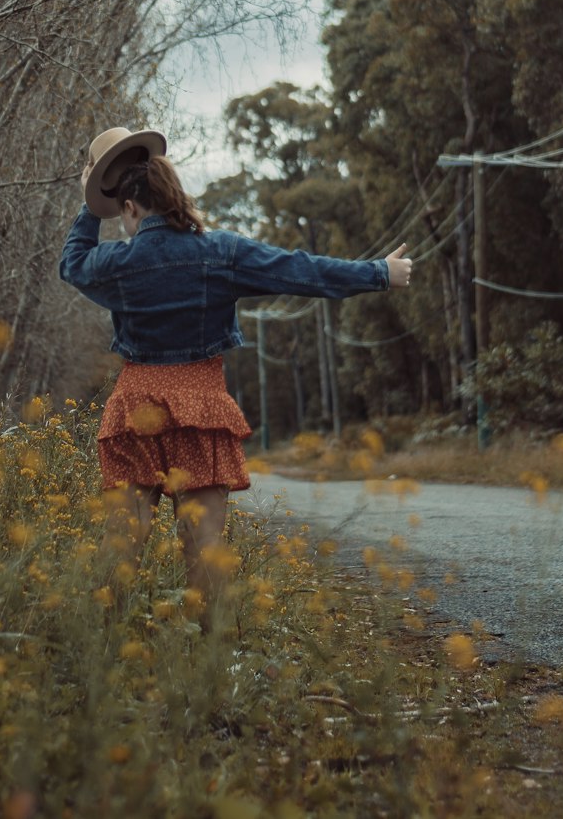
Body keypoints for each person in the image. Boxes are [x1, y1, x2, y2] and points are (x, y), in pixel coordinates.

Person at [59, 125, 412, 626]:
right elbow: (299, 269)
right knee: (204, 549)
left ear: (131, 208)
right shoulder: (220, 251)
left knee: (122, 546)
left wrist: (90, 206)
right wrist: (378, 273)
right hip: (201, 405)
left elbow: (71, 263)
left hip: (134, 406)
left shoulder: (117, 261)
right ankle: (211, 665)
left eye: (122, 216)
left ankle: (107, 657)